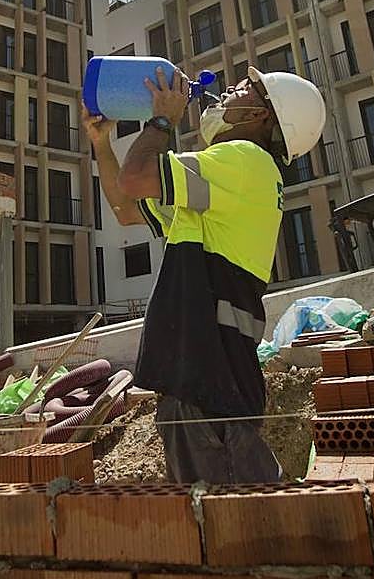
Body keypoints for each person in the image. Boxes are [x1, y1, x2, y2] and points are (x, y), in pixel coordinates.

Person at [116, 65, 325, 483]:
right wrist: (101, 141)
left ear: (263, 116)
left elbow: (136, 176)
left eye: (247, 87)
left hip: (208, 384)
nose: (230, 89)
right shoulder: (226, 182)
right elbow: (126, 208)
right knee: (233, 517)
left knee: (230, 526)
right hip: (208, 382)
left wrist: (162, 120)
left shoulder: (245, 160)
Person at [80, 101, 173, 239]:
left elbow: (125, 209)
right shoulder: (199, 179)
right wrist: (100, 141)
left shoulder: (196, 179)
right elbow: (126, 211)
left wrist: (163, 120)